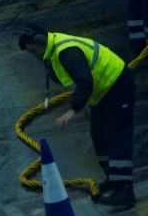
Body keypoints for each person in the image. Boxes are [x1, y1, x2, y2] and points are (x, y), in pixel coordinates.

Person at [18, 30, 138, 209]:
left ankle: (125, 192)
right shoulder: (51, 54)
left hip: (117, 85)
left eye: (33, 51)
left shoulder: (66, 52)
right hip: (100, 93)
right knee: (99, 137)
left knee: (117, 137)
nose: (34, 56)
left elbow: (84, 82)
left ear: (40, 43)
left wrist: (73, 110)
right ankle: (113, 180)